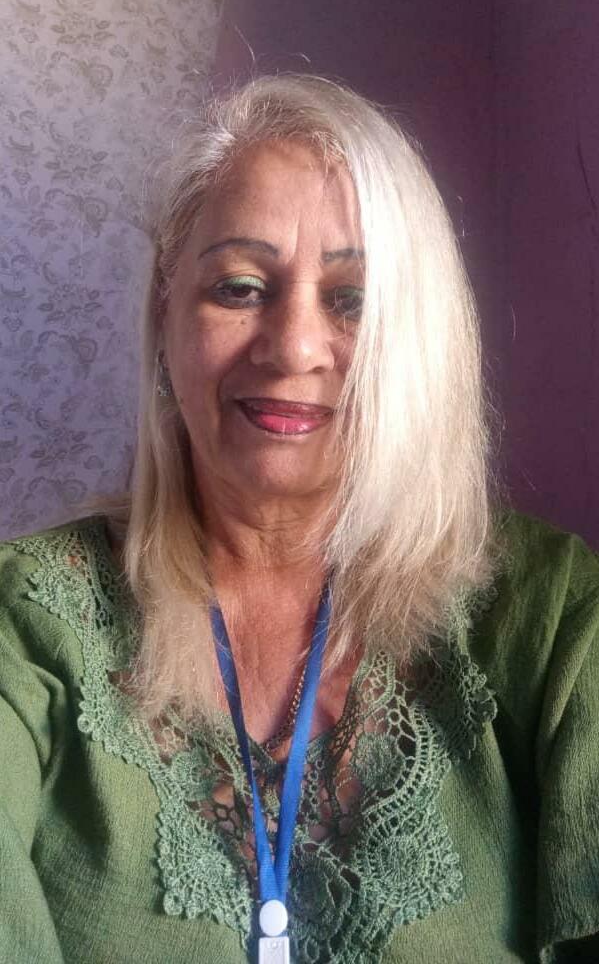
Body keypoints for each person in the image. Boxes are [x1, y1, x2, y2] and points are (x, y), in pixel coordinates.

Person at [1, 74, 597, 964]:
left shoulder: (555, 619)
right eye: (240, 287)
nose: (292, 348)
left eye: (351, 299)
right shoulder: (26, 623)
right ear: (167, 313)